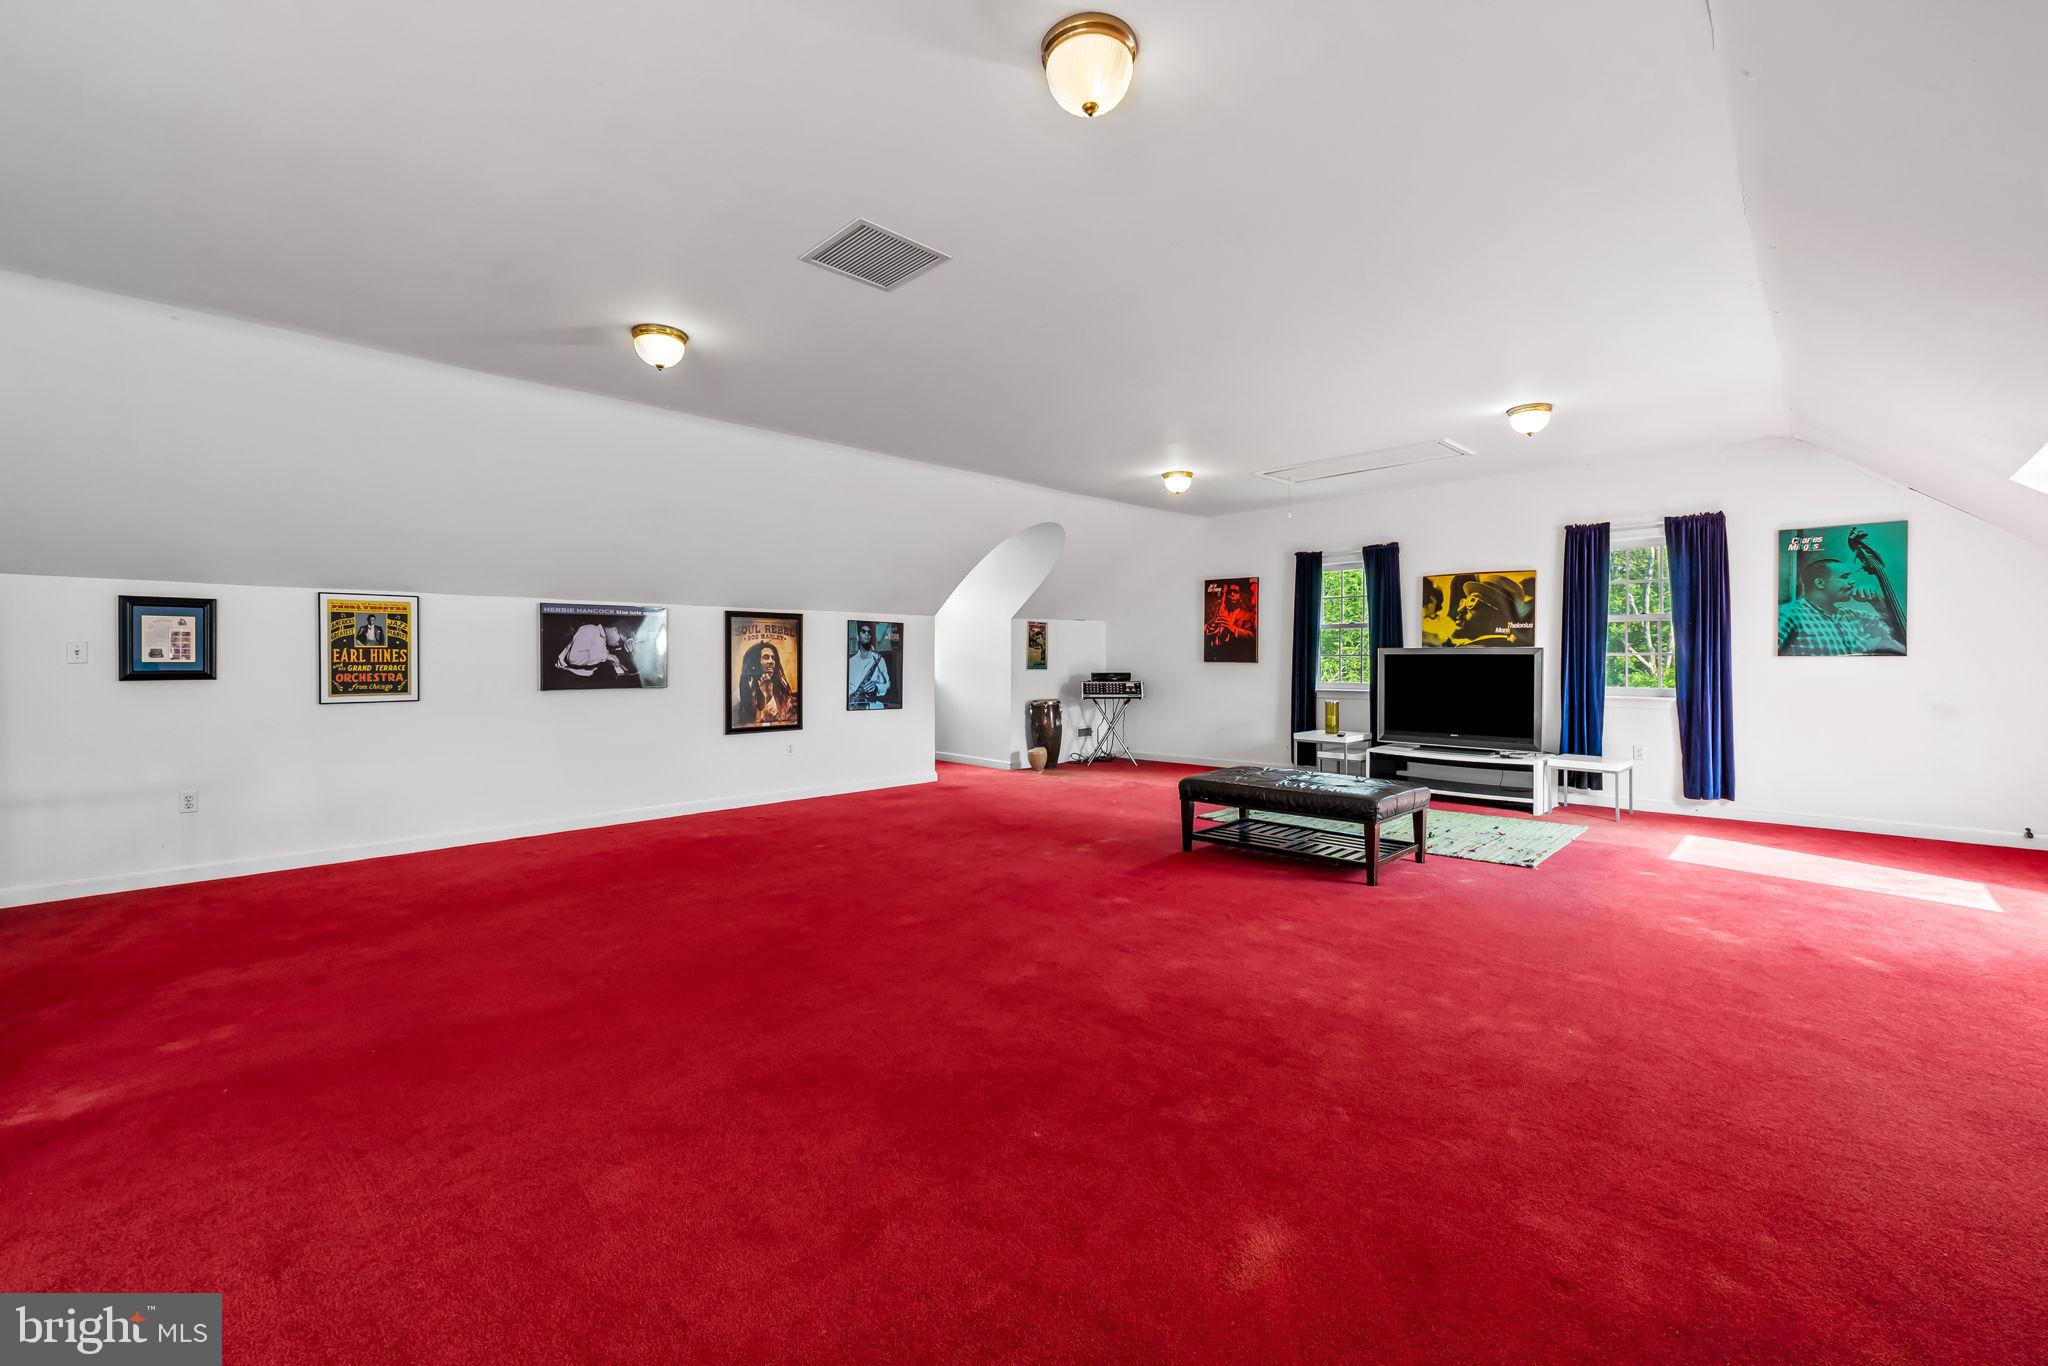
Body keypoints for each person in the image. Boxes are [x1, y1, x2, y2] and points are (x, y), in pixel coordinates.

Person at [1778, 554, 1902, 655]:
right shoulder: (1789, 614)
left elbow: (1897, 640)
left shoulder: (1853, 616)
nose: (1852, 581)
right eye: (1844, 577)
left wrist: (1877, 602)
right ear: (1820, 583)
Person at [734, 640, 798, 726]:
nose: (771, 661)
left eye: (773, 658)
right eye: (766, 657)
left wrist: (768, 694)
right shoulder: (741, 693)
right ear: (754, 663)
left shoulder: (781, 689)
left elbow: (784, 722)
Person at [555, 620, 636, 680]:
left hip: (583, 676)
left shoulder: (605, 641)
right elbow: (574, 658)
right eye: (620, 641)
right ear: (614, 630)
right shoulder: (590, 631)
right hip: (568, 675)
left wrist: (628, 643)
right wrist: (605, 656)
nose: (618, 644)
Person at [847, 623, 892, 709]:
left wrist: (876, 688)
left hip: (875, 707)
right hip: (855, 707)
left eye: (869, 632)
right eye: (863, 631)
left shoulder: (879, 660)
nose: (867, 634)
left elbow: (888, 685)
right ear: (857, 636)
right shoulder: (851, 662)